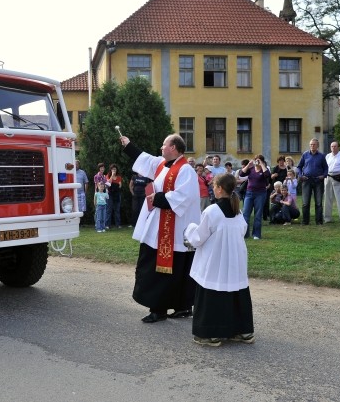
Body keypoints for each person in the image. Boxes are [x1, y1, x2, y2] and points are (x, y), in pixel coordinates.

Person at [119, 133, 201, 323]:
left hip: (175, 231)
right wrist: (128, 145)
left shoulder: (185, 170)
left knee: (167, 269)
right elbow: (144, 159)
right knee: (171, 269)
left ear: (174, 147)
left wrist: (158, 198)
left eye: (164, 145)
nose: (161, 148)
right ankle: (181, 306)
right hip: (160, 227)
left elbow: (184, 196)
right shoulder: (162, 165)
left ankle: (160, 309)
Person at [183, 173, 254, 347]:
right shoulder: (237, 210)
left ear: (220, 188)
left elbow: (198, 238)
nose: (212, 189)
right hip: (235, 259)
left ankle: (210, 334)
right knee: (236, 292)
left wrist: (190, 229)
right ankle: (243, 331)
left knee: (212, 293)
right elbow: (242, 230)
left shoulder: (212, 211)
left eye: (214, 186)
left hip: (216, 260)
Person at [297, 138, 328, 225]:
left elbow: (326, 168)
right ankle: (305, 221)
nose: (312, 146)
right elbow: (299, 167)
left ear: (317, 146)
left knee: (318, 202)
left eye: (314, 144)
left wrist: (324, 175)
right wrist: (300, 176)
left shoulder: (321, 156)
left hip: (318, 180)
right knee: (305, 202)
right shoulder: (305, 155)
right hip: (306, 180)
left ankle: (319, 221)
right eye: (311, 144)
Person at [239, 154, 271, 240]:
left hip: (260, 194)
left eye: (259, 160)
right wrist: (248, 165)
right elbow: (241, 174)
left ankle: (256, 234)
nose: (257, 162)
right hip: (249, 193)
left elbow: (267, 175)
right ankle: (245, 234)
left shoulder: (265, 170)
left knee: (258, 214)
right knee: (246, 213)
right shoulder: (251, 169)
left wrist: (262, 164)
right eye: (256, 160)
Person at [324, 141, 340, 223]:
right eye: (332, 146)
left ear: (338, 147)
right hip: (328, 177)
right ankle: (327, 218)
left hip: (339, 177)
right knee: (327, 198)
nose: (333, 148)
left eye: (335, 146)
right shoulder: (328, 156)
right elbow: (324, 168)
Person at [105, 164, 122, 229]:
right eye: (113, 169)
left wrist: (118, 185)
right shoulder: (108, 176)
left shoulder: (119, 177)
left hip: (117, 194)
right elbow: (108, 184)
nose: (114, 170)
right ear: (111, 170)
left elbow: (120, 186)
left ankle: (118, 224)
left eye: (115, 169)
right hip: (110, 194)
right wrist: (112, 176)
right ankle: (107, 225)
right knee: (109, 209)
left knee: (117, 210)